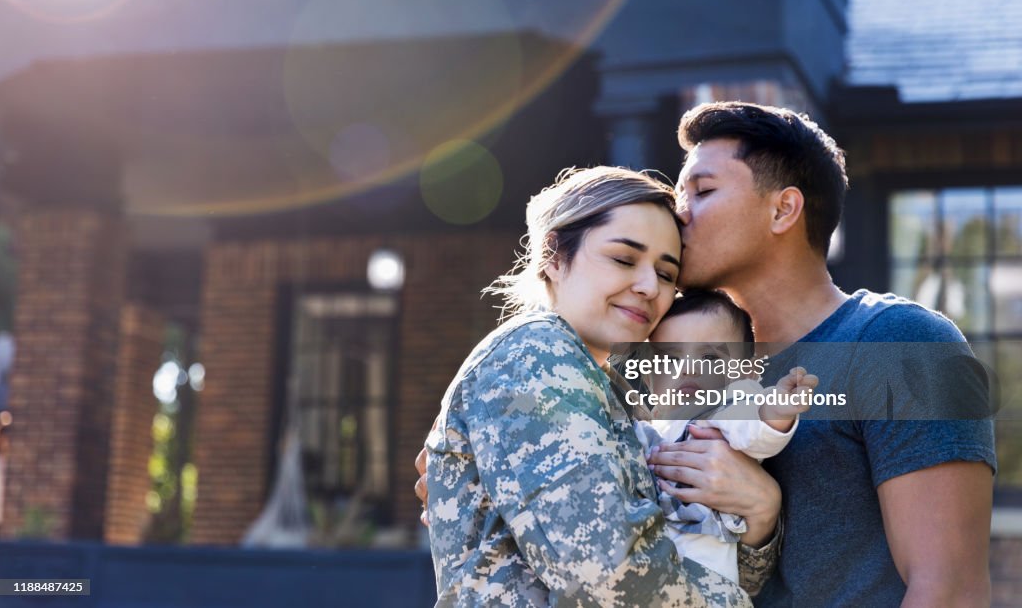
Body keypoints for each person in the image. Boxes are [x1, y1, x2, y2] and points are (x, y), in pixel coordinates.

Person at [647, 101, 996, 606]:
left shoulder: (899, 343)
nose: (678, 213)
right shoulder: (689, 369)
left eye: (702, 191)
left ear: (783, 209)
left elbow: (950, 590)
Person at [424, 166, 774, 606]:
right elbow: (612, 577)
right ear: (553, 254)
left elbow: (691, 564)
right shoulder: (536, 355)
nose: (649, 287)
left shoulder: (612, 388)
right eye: (624, 259)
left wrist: (761, 513)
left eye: (667, 274)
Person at [630, 289, 817, 585]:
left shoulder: (723, 412)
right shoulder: (648, 428)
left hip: (705, 571)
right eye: (669, 358)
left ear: (748, 372)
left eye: (709, 356)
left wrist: (775, 409)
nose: (687, 367)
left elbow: (753, 428)